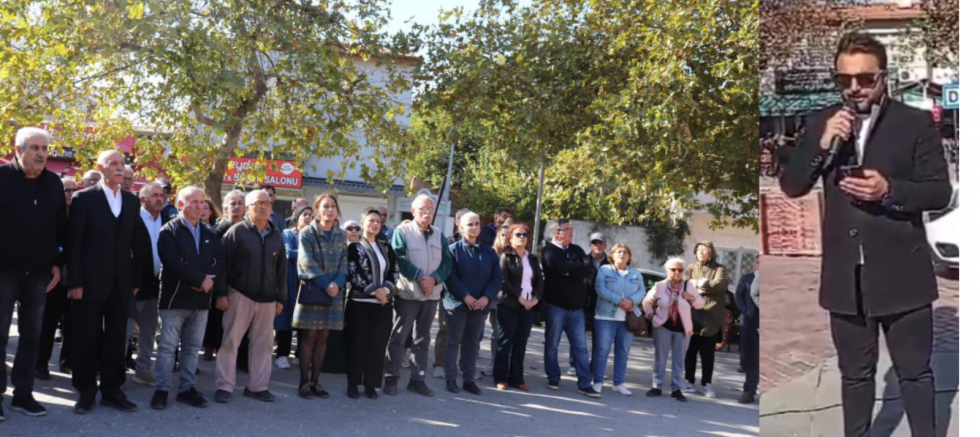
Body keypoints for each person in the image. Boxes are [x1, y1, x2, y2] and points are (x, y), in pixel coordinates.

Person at [780, 32, 950, 437]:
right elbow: (792, 186)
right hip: (845, 278)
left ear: (883, 77)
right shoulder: (822, 122)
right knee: (855, 375)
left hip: (902, 275)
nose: (854, 87)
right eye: (845, 79)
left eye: (864, 78)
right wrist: (822, 144)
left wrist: (889, 190)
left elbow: (938, 191)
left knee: (915, 374)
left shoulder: (914, 122)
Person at [67, 149, 147, 415]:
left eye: (122, 164)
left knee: (116, 339)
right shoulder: (84, 198)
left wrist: (136, 278)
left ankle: (112, 389)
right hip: (88, 283)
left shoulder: (131, 200)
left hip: (121, 284)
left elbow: (138, 242)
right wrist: (75, 281)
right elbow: (74, 243)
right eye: (113, 163)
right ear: (100, 167)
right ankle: (86, 390)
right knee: (86, 337)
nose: (119, 168)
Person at [0, 127, 68, 419]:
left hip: (39, 274)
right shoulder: (2, 178)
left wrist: (57, 262)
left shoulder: (53, 183)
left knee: (32, 336)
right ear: (18, 150)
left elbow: (59, 227)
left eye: (44, 149)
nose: (41, 154)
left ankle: (23, 395)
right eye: (34, 148)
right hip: (3, 271)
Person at [150, 187, 223, 410]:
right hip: (175, 300)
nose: (201, 206)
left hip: (201, 303)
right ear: (181, 204)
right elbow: (173, 263)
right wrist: (200, 280)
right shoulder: (168, 231)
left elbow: (217, 261)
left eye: (203, 202)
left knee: (192, 349)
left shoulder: (211, 233)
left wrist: (207, 279)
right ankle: (161, 390)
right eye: (195, 202)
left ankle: (187, 389)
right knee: (167, 347)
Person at [213, 189, 286, 404]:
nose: (263, 207)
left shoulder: (276, 235)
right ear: (248, 207)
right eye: (258, 203)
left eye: (267, 203)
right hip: (239, 295)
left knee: (263, 346)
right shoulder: (236, 232)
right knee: (230, 343)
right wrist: (221, 294)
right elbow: (222, 266)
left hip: (267, 300)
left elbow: (281, 271)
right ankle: (224, 386)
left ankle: (257, 387)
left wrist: (280, 299)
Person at [384, 194, 452, 397]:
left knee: (423, 339)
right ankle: (391, 378)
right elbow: (400, 258)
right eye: (422, 209)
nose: (427, 212)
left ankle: (417, 379)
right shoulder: (402, 232)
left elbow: (447, 262)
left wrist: (434, 279)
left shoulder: (439, 234)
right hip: (408, 294)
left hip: (431, 295)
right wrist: (421, 278)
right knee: (399, 337)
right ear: (413, 212)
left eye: (430, 209)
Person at [292, 193, 347, 399]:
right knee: (309, 337)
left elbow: (344, 261)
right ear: (317, 209)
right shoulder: (307, 232)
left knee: (324, 337)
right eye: (325, 206)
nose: (330, 210)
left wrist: (338, 283)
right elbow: (306, 262)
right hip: (315, 291)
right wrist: (327, 284)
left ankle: (316, 382)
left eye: (333, 206)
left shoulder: (341, 235)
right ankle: (303, 383)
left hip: (333, 293)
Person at [444, 212, 502, 395]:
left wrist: (486, 297)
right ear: (461, 227)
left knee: (472, 343)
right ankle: (451, 379)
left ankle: (468, 379)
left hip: (480, 306)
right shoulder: (452, 250)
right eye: (470, 224)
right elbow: (450, 277)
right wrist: (465, 296)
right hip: (458, 305)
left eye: (477, 223)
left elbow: (496, 278)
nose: (474, 227)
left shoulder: (489, 252)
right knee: (453, 341)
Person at [541, 219, 600, 398]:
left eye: (571, 229)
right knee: (552, 344)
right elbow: (559, 266)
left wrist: (569, 270)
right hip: (556, 307)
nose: (571, 232)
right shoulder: (548, 251)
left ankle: (584, 383)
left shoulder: (577, 250)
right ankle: (553, 377)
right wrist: (574, 268)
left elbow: (587, 269)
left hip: (577, 310)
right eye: (567, 229)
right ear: (557, 233)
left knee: (580, 348)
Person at [345, 209, 398, 399]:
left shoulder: (386, 247)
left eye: (378, 221)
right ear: (362, 222)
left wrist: (386, 290)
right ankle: (353, 384)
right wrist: (375, 291)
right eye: (371, 220)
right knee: (357, 344)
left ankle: (371, 385)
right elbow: (354, 273)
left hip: (382, 305)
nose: (375, 224)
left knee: (377, 345)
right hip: (360, 304)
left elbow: (394, 272)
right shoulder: (354, 247)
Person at [127, 181, 173, 387]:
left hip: (157, 284)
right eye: (155, 195)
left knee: (149, 328)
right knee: (126, 330)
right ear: (143, 199)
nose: (159, 198)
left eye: (162, 195)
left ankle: (143, 369)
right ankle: (115, 371)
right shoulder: (132, 218)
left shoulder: (166, 218)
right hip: (135, 284)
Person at [643, 257, 704, 402]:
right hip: (663, 326)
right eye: (673, 269)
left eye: (680, 270)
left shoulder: (688, 286)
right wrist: (651, 316)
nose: (676, 272)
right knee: (660, 358)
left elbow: (700, 304)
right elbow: (647, 301)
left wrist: (691, 298)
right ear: (667, 270)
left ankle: (676, 389)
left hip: (683, 329)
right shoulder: (659, 286)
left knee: (679, 361)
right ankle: (657, 386)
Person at [36, 176, 77, 381]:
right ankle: (40, 364)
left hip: (75, 278)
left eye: (73, 190)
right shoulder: (51, 214)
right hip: (52, 277)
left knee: (71, 324)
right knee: (48, 323)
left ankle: (67, 362)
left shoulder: (80, 215)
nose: (70, 194)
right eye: (66, 190)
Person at [590, 243, 646, 396]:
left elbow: (642, 291)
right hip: (605, 316)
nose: (622, 254)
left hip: (627, 318)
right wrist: (619, 301)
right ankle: (598, 382)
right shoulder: (604, 270)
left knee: (622, 352)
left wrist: (631, 301)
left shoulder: (635, 273)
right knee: (602, 351)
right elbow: (600, 289)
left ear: (629, 257)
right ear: (612, 255)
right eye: (619, 252)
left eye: (625, 252)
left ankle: (618, 383)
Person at [493, 223, 542, 391]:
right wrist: (521, 299)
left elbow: (539, 281)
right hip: (508, 304)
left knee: (521, 344)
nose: (522, 238)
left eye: (525, 235)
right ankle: (500, 378)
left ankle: (517, 378)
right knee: (505, 342)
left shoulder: (533, 258)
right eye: (518, 235)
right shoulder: (505, 256)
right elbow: (504, 281)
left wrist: (535, 299)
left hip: (528, 307)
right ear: (510, 237)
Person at [202, 190, 247, 361]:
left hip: (243, 284)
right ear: (225, 207)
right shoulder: (219, 229)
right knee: (216, 317)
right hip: (221, 282)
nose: (236, 207)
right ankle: (210, 347)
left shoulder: (250, 228)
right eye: (232, 203)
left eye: (239, 203)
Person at [683, 241, 728, 399]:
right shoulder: (691, 268)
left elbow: (718, 285)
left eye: (704, 250)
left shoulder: (720, 268)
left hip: (711, 317)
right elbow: (685, 286)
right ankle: (688, 381)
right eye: (698, 250)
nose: (701, 252)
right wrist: (696, 285)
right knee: (690, 352)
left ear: (711, 252)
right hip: (692, 316)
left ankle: (706, 384)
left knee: (708, 354)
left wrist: (699, 284)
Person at [433, 207, 472, 379]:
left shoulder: (478, 245)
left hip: (471, 296)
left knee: (467, 334)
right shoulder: (448, 242)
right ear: (457, 223)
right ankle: (440, 364)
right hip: (449, 295)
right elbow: (445, 269)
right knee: (446, 330)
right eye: (465, 220)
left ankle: (464, 367)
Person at [275, 204, 314, 370]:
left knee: (304, 322)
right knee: (286, 320)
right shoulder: (288, 233)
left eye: (310, 215)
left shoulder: (314, 236)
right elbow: (289, 253)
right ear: (297, 217)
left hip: (307, 284)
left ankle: (300, 354)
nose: (307, 217)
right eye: (304, 214)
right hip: (290, 282)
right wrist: (310, 256)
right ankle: (283, 355)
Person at [570, 231, 609, 376]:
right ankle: (574, 365)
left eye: (600, 243)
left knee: (599, 339)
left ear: (605, 245)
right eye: (595, 243)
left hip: (602, 306)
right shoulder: (582, 260)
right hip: (583, 304)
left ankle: (595, 367)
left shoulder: (611, 263)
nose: (598, 246)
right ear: (590, 246)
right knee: (578, 336)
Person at [735, 259, 759, 404]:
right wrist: (744, 310)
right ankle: (749, 391)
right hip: (751, 321)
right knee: (752, 356)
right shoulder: (747, 279)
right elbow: (738, 296)